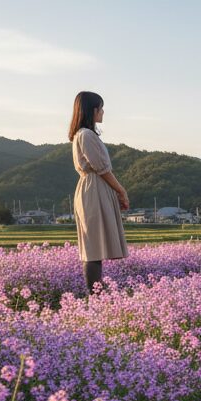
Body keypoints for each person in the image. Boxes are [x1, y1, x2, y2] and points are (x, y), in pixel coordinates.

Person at [68, 91, 129, 292]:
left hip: (95, 188)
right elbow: (102, 169)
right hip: (93, 190)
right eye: (100, 108)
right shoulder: (86, 135)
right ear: (92, 110)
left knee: (95, 246)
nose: (103, 112)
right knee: (93, 247)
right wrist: (121, 191)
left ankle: (97, 294)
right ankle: (95, 295)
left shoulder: (83, 135)